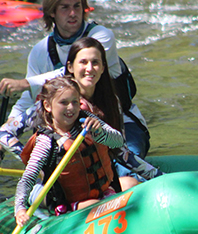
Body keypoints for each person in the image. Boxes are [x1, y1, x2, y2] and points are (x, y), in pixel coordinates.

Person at [0, 0, 150, 163]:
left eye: (77, 6)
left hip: (121, 125)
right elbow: (27, 100)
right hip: (75, 131)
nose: (73, 13)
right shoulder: (40, 51)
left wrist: (26, 83)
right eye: (65, 8)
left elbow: (73, 75)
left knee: (122, 168)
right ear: (52, 12)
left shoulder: (101, 37)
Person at [0, 37, 161, 189]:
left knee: (130, 183)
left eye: (95, 62)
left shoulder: (112, 102)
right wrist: (33, 164)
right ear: (70, 67)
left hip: (95, 182)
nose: (89, 68)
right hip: (57, 187)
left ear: (103, 67)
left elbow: (121, 152)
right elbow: (3, 133)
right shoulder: (55, 102)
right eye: (83, 62)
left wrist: (159, 177)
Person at [14, 76, 126, 226]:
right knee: (96, 204)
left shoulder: (88, 121)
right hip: (70, 204)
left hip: (105, 191)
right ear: (47, 105)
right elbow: (28, 177)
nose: (71, 108)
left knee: (130, 184)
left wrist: (101, 133)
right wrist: (20, 209)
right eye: (64, 103)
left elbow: (118, 141)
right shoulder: (46, 142)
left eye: (75, 102)